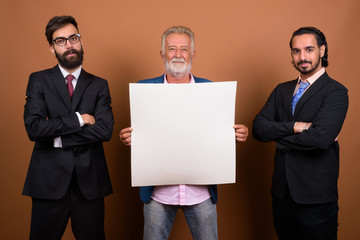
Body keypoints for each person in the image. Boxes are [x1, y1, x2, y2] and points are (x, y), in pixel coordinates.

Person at [119, 26, 248, 240]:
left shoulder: (211, 90)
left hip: (200, 193)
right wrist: (131, 138)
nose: (178, 55)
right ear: (162, 54)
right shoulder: (144, 90)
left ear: (192, 54)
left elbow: (216, 136)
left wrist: (235, 135)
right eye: (171, 49)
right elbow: (142, 135)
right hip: (158, 193)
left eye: (184, 49)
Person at [252, 26, 349, 240]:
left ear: (322, 51)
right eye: (296, 51)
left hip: (316, 198)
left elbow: (321, 139)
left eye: (309, 49)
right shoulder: (281, 90)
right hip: (282, 194)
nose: (302, 57)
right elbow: (258, 128)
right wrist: (296, 126)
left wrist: (276, 136)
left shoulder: (336, 92)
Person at [23, 15, 114, 240]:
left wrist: (58, 138)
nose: (69, 45)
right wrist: (80, 119)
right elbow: (34, 129)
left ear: (81, 41)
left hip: (90, 185)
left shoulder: (99, 85)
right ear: (52, 48)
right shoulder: (38, 80)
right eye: (61, 41)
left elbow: (105, 131)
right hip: (48, 183)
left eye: (73, 38)